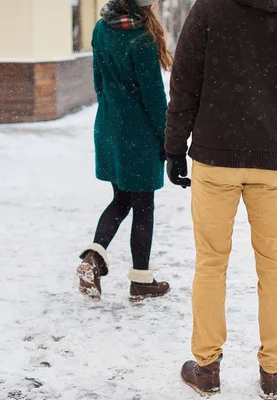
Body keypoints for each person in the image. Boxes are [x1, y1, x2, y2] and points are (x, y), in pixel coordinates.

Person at [164, 0, 277, 398]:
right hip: (275, 163)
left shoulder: (209, 11)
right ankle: (273, 371)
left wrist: (173, 146)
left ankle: (206, 368)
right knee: (273, 264)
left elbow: (185, 82)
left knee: (211, 262)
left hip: (215, 158)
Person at [76, 0, 172, 302]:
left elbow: (99, 83)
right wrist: (170, 138)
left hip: (109, 126)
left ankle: (92, 257)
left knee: (121, 200)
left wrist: (114, 113)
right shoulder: (142, 38)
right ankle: (141, 282)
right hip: (139, 134)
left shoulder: (102, 27)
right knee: (143, 206)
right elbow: (154, 97)